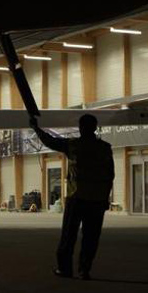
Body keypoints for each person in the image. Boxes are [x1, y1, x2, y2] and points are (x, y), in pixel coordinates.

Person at [30, 114, 114, 280]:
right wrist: (105, 198)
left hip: (76, 197)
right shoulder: (105, 147)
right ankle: (84, 270)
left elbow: (50, 141)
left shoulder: (74, 145)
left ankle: (65, 269)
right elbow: (110, 175)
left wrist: (36, 129)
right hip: (97, 200)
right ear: (95, 127)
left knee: (68, 236)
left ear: (81, 128)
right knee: (91, 237)